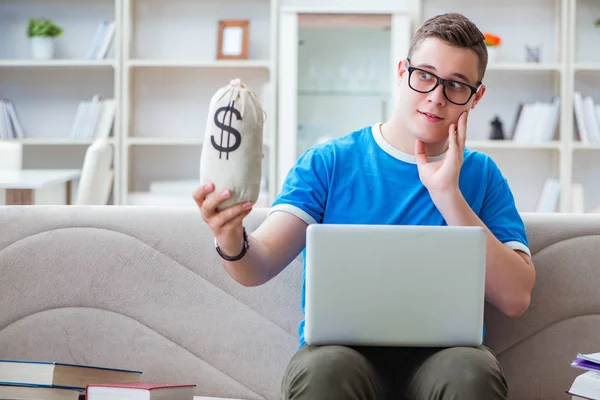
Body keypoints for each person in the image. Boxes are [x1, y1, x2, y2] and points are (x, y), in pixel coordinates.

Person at [194, 12, 536, 400]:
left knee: (471, 372)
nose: (436, 96)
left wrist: (448, 196)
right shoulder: (329, 162)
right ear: (401, 70)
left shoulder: (483, 175)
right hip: (341, 357)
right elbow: (259, 264)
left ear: (476, 97)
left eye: (456, 85)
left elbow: (516, 297)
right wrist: (230, 236)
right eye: (424, 74)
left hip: (446, 360)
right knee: (324, 370)